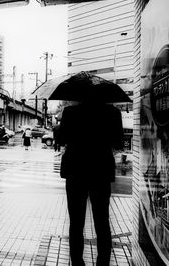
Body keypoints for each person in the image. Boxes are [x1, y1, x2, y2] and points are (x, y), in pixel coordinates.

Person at [58, 99, 123, 266]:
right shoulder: (112, 113)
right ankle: (103, 263)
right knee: (102, 222)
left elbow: (62, 138)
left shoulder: (70, 112)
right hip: (100, 170)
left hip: (75, 170)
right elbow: (118, 142)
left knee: (76, 223)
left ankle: (78, 263)